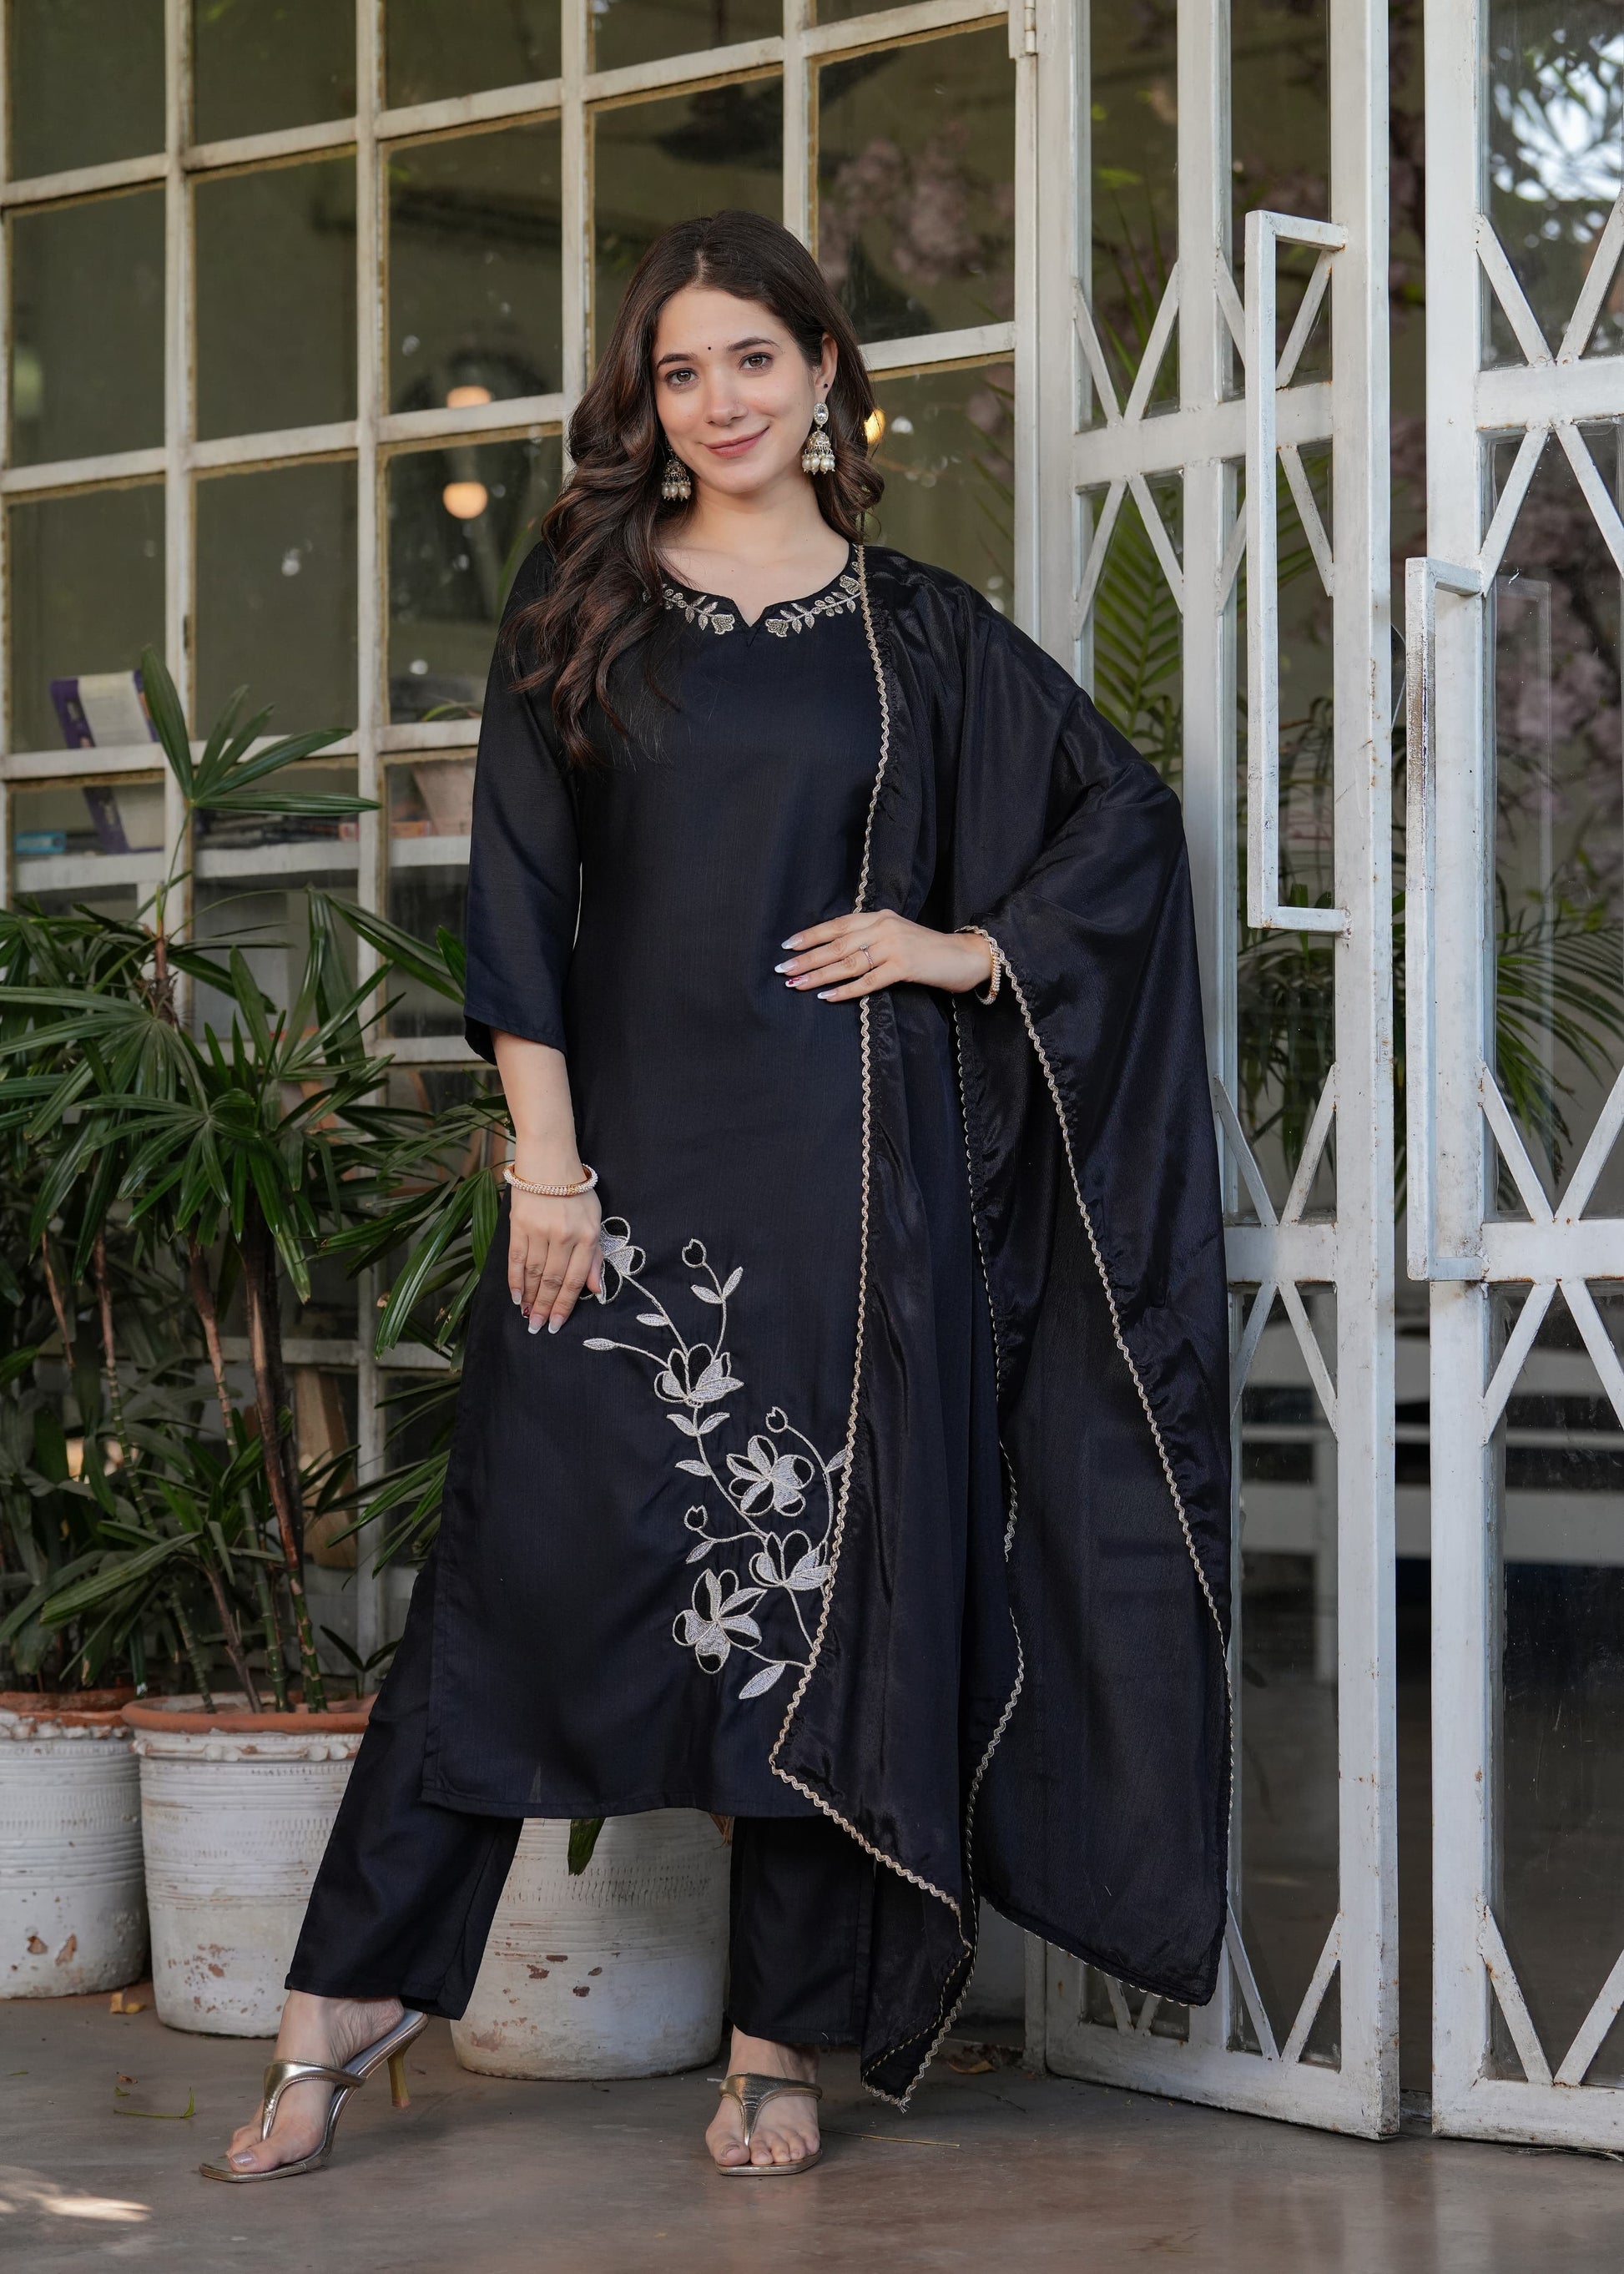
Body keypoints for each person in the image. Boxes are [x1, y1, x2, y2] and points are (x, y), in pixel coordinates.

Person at [205, 209, 1232, 2185]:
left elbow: (1120, 815)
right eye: (679, 370)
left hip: (853, 1187)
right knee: (515, 1577)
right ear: (647, 398)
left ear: (824, 366)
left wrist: (963, 949)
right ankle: (350, 1992)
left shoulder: (914, 634)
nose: (718, 399)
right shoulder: (585, 596)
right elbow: (517, 895)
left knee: (817, 1604)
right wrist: (548, 1162)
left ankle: (776, 2041)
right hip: (622, 1176)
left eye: (752, 357)